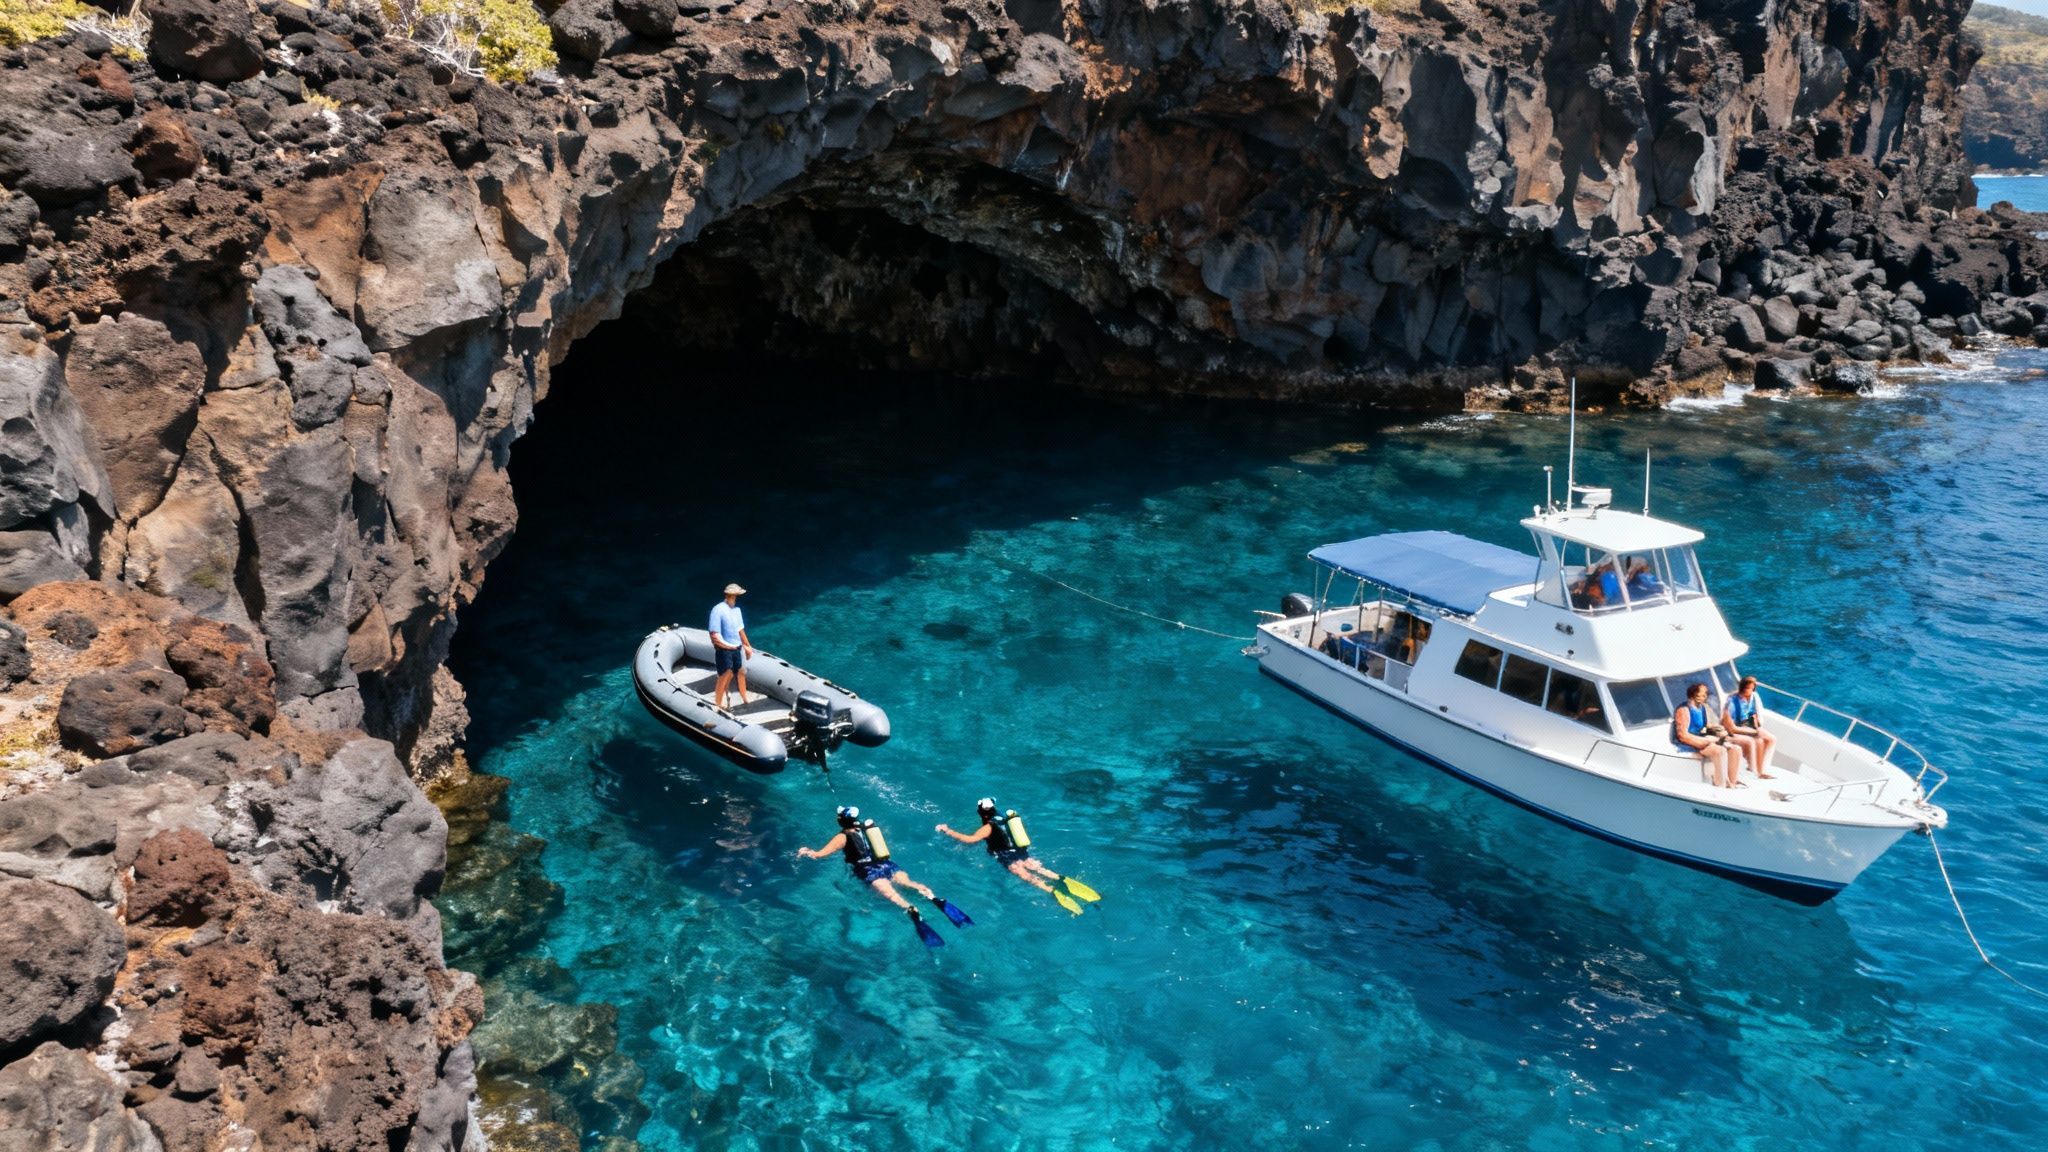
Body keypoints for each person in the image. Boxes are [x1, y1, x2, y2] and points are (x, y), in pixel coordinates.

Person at [798, 806, 972, 947]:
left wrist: (808, 852)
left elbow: (820, 855)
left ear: (840, 820)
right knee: (909, 883)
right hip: (888, 865)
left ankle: (912, 911)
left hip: (868, 870)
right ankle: (933, 897)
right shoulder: (868, 828)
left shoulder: (842, 837)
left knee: (893, 896)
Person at [937, 799, 1100, 915]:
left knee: (1027, 877)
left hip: (1007, 856)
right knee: (1041, 870)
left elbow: (970, 840)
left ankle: (1053, 891)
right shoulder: (1005, 818)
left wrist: (948, 830)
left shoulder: (987, 827)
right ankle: (1062, 880)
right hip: (1021, 852)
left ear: (981, 812)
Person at [1673, 681, 1736, 788]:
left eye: (1705, 694)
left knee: (1735, 749)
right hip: (1690, 744)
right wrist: (1706, 741)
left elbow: (1703, 727)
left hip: (1702, 738)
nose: (1705, 696)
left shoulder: (1701, 708)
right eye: (1702, 694)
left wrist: (1716, 730)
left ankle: (1732, 782)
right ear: (1693, 695)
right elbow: (1683, 736)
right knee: (1720, 751)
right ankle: (1720, 784)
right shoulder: (1684, 710)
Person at [1723, 675, 1777, 780]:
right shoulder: (1732, 701)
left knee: (1771, 739)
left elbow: (1753, 713)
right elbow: (1731, 724)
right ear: (1742, 688)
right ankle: (1756, 771)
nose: (1750, 691)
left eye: (1752, 689)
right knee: (1759, 741)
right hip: (1739, 727)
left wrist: (1756, 726)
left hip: (1749, 725)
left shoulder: (1751, 698)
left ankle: (1762, 768)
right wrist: (1752, 732)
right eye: (1748, 688)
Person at [709, 583, 753, 710]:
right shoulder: (718, 610)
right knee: (725, 673)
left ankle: (744, 697)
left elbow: (740, 630)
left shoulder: (736, 611)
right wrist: (726, 646)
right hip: (724, 649)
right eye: (735, 596)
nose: (736, 598)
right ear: (731, 595)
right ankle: (718, 702)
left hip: (736, 647)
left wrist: (747, 646)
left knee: (739, 672)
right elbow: (714, 634)